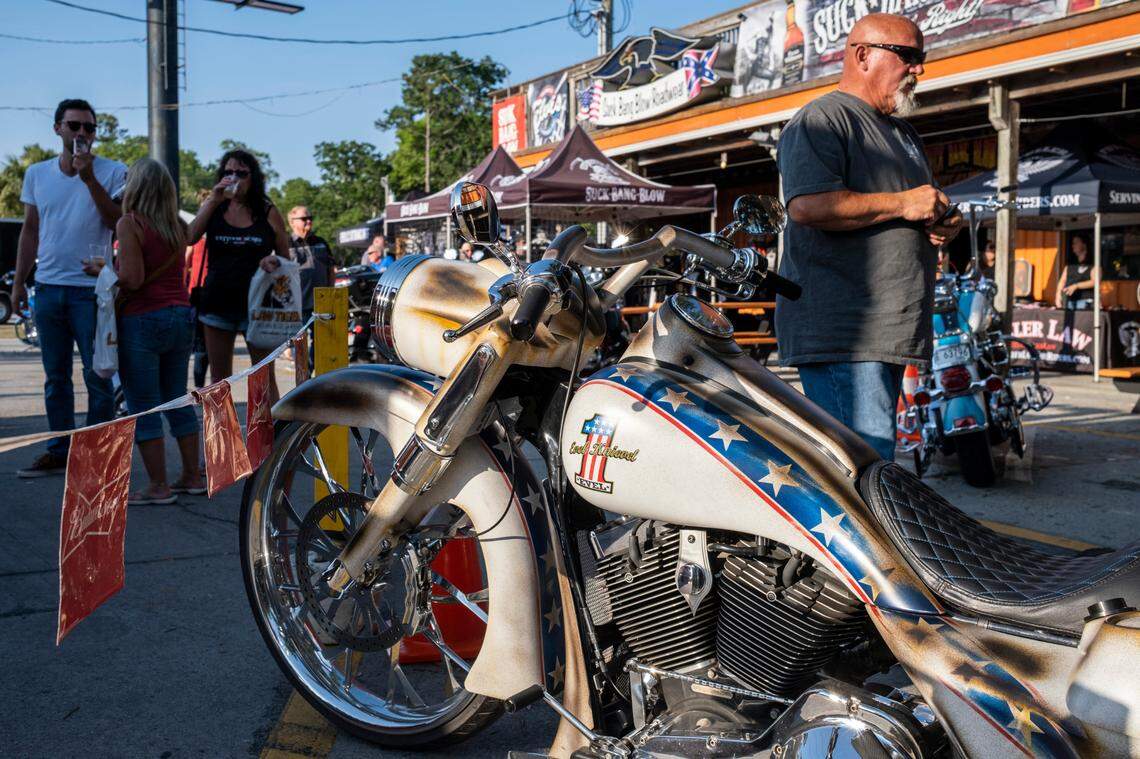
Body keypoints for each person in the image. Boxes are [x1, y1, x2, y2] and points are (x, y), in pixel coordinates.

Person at [775, 13, 963, 461]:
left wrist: (939, 223)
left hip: (890, 331)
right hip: (847, 335)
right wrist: (905, 203)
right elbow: (807, 206)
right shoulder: (822, 119)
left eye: (922, 59)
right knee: (859, 477)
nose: (919, 70)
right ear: (863, 54)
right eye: (910, 57)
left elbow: (910, 209)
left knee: (872, 471)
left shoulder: (903, 132)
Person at [13, 98, 126, 478]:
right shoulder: (37, 174)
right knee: (55, 377)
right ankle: (59, 449)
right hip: (48, 286)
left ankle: (95, 456)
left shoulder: (113, 172)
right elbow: (30, 231)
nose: (81, 134)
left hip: (91, 291)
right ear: (57, 128)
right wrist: (18, 285)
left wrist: (88, 177)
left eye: (88, 128)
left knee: (99, 377)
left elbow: (118, 221)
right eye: (74, 126)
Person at [113, 158, 204, 503]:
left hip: (143, 318)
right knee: (177, 397)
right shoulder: (176, 225)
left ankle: (158, 485)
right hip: (180, 316)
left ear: (135, 188)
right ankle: (192, 475)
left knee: (143, 403)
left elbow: (132, 279)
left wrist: (101, 271)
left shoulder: (129, 223)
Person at [187, 149, 291, 400]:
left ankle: (271, 438)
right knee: (219, 383)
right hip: (217, 304)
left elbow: (286, 258)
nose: (234, 177)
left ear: (252, 177)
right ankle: (223, 440)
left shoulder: (267, 211)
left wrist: (273, 260)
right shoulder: (215, 206)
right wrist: (213, 199)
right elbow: (189, 237)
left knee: (264, 378)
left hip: (257, 306)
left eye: (241, 173)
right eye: (228, 172)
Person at [287, 205, 335, 322]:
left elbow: (331, 269)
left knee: (322, 340)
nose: (308, 221)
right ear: (292, 222)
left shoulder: (321, 242)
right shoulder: (285, 243)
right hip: (296, 304)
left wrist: (330, 293)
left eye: (310, 218)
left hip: (321, 302)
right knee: (297, 339)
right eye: (304, 218)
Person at [1055, 234, 1099, 310]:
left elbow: (1095, 281)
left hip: (1086, 301)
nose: (1073, 246)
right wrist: (1058, 295)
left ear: (1084, 245)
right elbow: (1062, 281)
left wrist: (1076, 286)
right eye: (1073, 243)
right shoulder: (1070, 265)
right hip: (1069, 301)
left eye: (1076, 243)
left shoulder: (1093, 264)